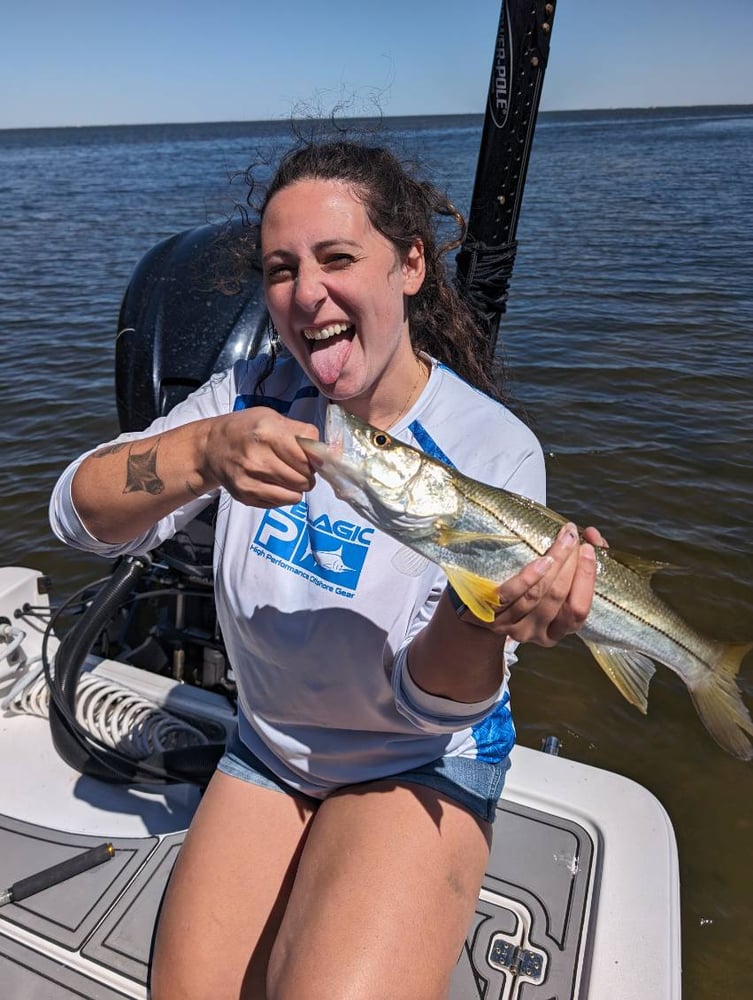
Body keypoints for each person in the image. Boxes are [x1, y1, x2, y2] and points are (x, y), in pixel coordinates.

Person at [50, 139, 601, 1000]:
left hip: (417, 757)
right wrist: (201, 452)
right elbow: (75, 516)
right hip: (267, 748)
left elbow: (435, 701)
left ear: (410, 264)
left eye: (337, 258)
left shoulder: (491, 448)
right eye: (280, 269)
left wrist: (482, 617)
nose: (307, 295)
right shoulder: (247, 396)